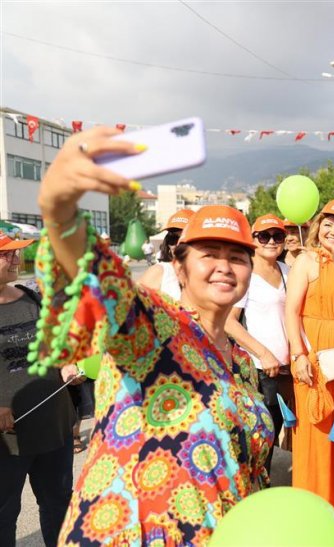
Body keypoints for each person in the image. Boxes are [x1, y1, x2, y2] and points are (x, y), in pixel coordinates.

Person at [33, 127, 274, 544]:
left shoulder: (239, 364)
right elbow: (96, 278)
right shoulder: (156, 325)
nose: (225, 266)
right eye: (209, 255)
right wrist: (60, 208)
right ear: (179, 268)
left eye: (237, 257)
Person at [284, 199, 334, 518]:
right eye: (328, 223)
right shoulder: (306, 261)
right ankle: (316, 502)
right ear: (318, 227)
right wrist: (298, 355)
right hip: (314, 355)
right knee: (316, 428)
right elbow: (290, 311)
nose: (333, 230)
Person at [0, 234, 81, 547]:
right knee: (5, 513)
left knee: (58, 505)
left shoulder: (30, 297)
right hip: (9, 437)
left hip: (53, 423)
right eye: (7, 254)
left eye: (17, 253)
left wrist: (67, 367)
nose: (16, 260)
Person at [225, 214, 292, 476]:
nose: (271, 241)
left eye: (277, 236)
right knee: (262, 434)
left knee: (279, 432)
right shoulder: (246, 273)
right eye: (264, 236)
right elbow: (230, 322)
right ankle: (255, 489)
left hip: (289, 365)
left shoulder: (288, 270)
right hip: (261, 368)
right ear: (253, 240)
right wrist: (263, 353)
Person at [138, 208, 195, 300]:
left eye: (183, 239)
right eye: (172, 239)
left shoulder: (212, 274)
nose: (176, 245)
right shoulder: (160, 271)